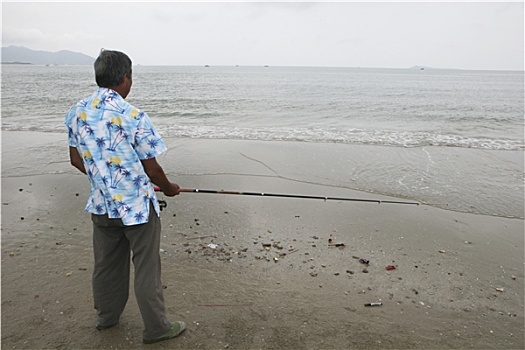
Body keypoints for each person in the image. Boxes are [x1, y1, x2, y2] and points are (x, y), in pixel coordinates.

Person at [65, 49, 185, 344]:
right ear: (125, 78)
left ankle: (106, 318)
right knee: (146, 267)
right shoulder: (133, 116)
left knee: (106, 264)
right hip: (138, 209)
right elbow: (152, 169)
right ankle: (157, 329)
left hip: (101, 205)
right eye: (131, 77)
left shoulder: (76, 111)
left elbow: (75, 159)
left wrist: (103, 180)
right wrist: (169, 188)